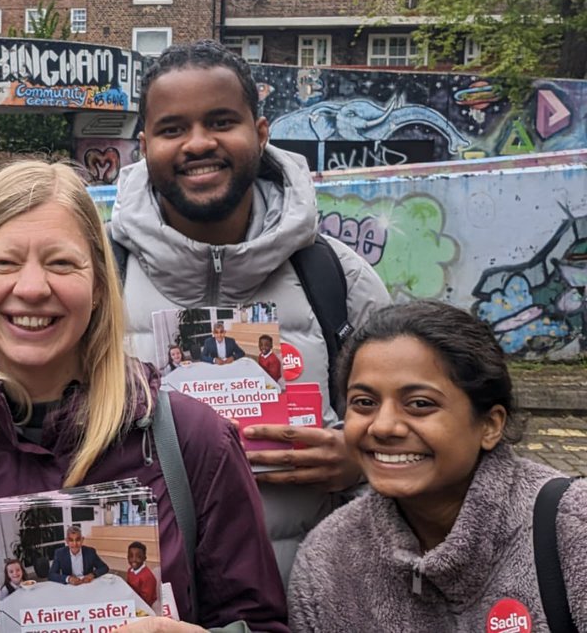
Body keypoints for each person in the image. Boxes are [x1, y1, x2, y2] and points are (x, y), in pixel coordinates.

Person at [0, 161, 288, 632]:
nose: (32, 288)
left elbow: (261, 622)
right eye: (4, 262)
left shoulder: (196, 442)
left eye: (60, 263)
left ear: (97, 285)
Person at [108, 41, 392, 582]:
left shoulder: (338, 279)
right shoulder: (96, 278)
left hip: (306, 604)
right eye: (172, 129)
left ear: (261, 133)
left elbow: (412, 433)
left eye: (221, 121)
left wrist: (362, 461)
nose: (198, 144)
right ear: (143, 147)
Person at [289, 301, 587, 631]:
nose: (383, 426)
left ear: (490, 425)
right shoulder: (327, 561)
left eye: (419, 404)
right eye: (364, 403)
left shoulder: (572, 531)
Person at [125, 541, 159, 607]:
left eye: (139, 557)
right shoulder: (130, 570)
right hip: (133, 599)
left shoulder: (147, 577)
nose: (134, 559)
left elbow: (146, 601)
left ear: (144, 558)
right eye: (131, 556)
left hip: (145, 605)